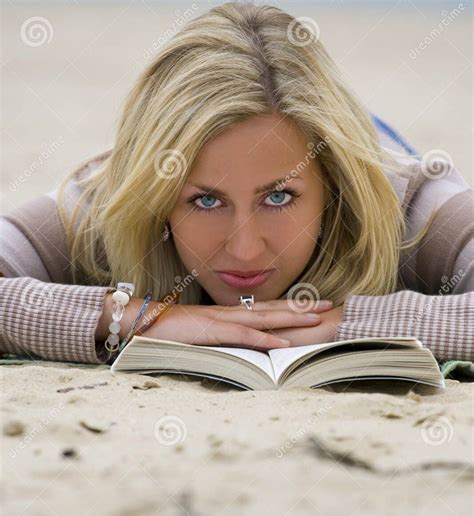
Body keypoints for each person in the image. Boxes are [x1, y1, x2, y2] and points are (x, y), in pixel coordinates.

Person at [1, 2, 472, 365]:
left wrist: (348, 326)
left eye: (279, 196)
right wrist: (140, 319)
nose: (245, 250)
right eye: (206, 200)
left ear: (333, 186)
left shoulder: (414, 204)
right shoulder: (111, 203)